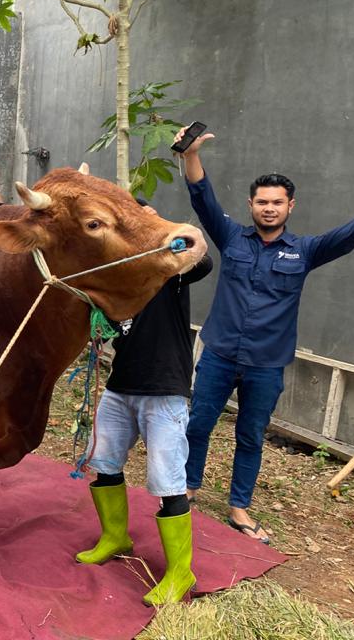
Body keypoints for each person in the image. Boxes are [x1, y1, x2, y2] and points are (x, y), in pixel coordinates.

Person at [176, 124, 354, 544]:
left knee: (250, 433)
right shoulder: (231, 237)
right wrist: (190, 153)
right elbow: (202, 195)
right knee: (198, 424)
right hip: (219, 353)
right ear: (251, 204)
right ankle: (188, 488)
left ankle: (239, 507)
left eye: (277, 202)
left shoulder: (304, 252)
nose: (269, 208)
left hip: (267, 363)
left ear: (290, 206)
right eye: (262, 201)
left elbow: (353, 233)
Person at [76, 198, 213, 606]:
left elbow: (200, 260)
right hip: (121, 387)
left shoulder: (170, 273)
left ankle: (179, 573)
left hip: (164, 390)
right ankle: (116, 537)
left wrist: (172, 236)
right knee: (103, 463)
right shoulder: (116, 277)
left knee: (168, 482)